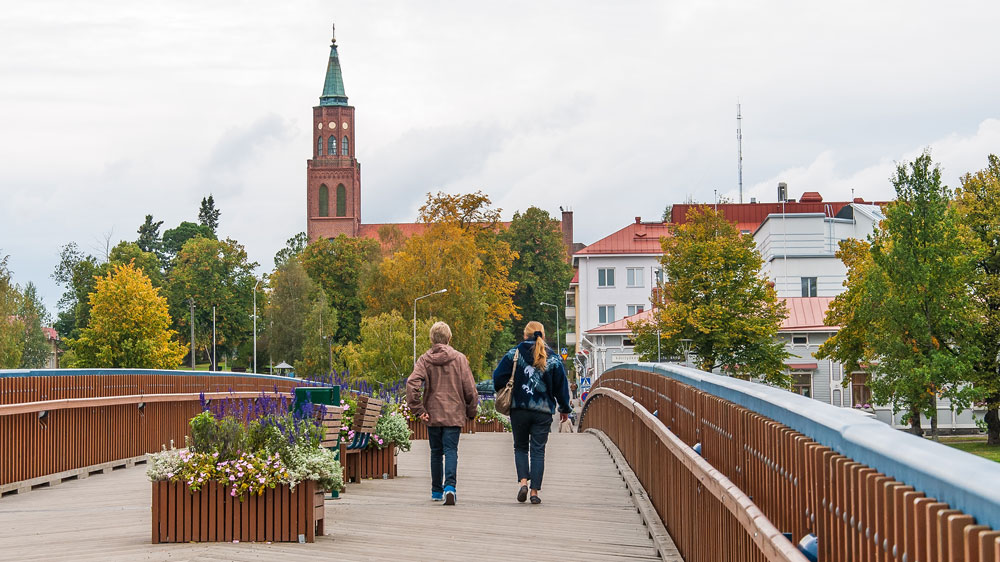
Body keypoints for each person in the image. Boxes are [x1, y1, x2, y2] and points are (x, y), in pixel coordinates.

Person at [492, 321, 571, 505]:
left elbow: (497, 377)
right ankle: (535, 492)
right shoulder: (553, 358)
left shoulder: (514, 353)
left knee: (520, 447)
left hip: (519, 409)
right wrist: (564, 409)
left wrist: (506, 389)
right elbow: (562, 388)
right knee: (538, 450)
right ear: (542, 335)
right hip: (542, 412)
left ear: (525, 335)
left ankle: (523, 483)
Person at [406, 321, 478, 505]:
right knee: (451, 450)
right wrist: (471, 412)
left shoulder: (424, 359)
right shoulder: (460, 358)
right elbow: (470, 389)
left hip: (433, 413)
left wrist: (418, 410)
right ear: (449, 338)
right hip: (453, 414)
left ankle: (436, 491)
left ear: (431, 338)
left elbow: (412, 384)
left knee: (436, 452)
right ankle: (450, 488)